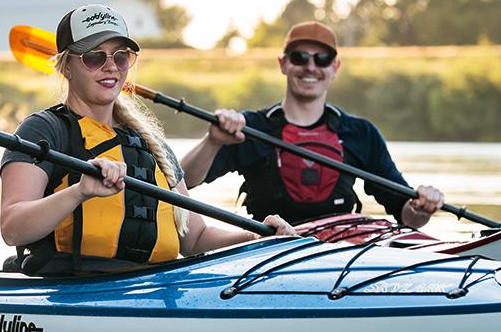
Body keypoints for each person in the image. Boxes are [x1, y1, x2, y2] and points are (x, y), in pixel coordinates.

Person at [0, 4, 295, 274]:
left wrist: (256, 235)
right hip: (71, 290)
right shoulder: (43, 130)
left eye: (121, 57)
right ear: (66, 66)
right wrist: (79, 191)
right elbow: (12, 228)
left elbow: (195, 239)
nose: (111, 66)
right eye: (94, 57)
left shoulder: (149, 143)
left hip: (153, 289)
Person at [181, 21, 444, 229]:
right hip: (266, 253)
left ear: (335, 67)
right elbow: (182, 182)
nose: (310, 66)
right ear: (283, 64)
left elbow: (408, 217)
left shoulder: (360, 133)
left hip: (340, 255)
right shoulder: (250, 127)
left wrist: (422, 208)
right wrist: (213, 141)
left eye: (322, 59)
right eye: (299, 57)